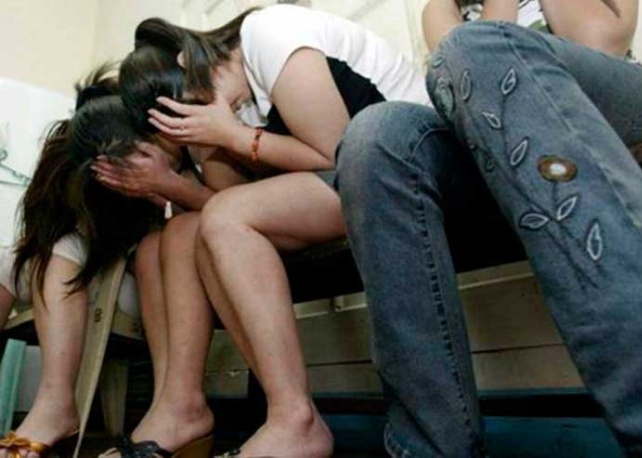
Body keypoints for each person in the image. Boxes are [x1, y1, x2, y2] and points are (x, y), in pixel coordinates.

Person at [109, 4, 431, 456]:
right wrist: (211, 141)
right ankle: (203, 410)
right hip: (356, 180)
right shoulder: (236, 100)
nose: (202, 113)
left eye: (193, 104)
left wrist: (229, 135)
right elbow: (226, 195)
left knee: (223, 217)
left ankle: (294, 419)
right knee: (190, 230)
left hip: (406, 162)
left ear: (187, 61)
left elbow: (338, 154)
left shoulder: (266, 34)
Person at [336, 0, 642, 456]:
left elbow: (599, 40)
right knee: (376, 135)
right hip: (494, 133)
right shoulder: (441, 8)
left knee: (475, 47)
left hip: (614, 102)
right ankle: (431, 449)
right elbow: (460, 92)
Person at [0, 68, 179, 458]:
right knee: (9, 257)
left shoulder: (159, 154)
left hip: (129, 281)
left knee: (64, 247)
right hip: (76, 269)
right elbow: (41, 235)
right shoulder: (68, 161)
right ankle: (53, 408)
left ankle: (55, 405)